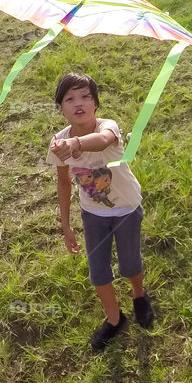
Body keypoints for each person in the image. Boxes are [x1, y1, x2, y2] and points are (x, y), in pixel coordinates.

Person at [47, 73, 154, 351]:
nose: (78, 103)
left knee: (130, 264)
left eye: (85, 97)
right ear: (61, 109)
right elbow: (62, 182)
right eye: (69, 99)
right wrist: (66, 225)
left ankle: (139, 295)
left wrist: (77, 145)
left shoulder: (109, 127)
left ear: (95, 104)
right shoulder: (59, 142)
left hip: (127, 208)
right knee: (98, 273)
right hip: (93, 214)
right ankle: (115, 319)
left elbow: (103, 140)